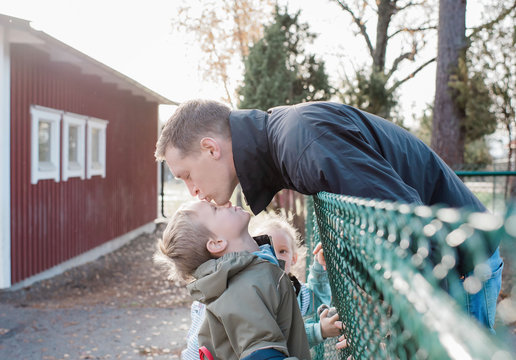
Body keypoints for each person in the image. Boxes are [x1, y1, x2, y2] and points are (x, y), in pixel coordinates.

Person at [154, 99, 503, 333]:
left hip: (459, 268)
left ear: (210, 149)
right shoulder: (286, 141)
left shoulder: (302, 141)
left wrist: (410, 331)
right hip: (452, 263)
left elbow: (406, 227)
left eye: (185, 175)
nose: (192, 192)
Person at [155, 200, 311, 359]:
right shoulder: (243, 291)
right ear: (217, 243)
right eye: (215, 209)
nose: (225, 202)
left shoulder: (255, 269)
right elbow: (262, 354)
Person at [180, 212, 346, 360]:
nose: (274, 255)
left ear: (294, 258)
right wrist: (319, 331)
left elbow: (316, 296)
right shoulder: (248, 291)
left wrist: (319, 267)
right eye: (267, 249)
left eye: (282, 251)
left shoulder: (290, 288)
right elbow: (265, 347)